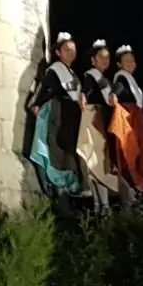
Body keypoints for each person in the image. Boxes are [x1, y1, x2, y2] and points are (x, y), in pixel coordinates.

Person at [25, 32, 84, 198]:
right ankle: (58, 194)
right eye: (67, 49)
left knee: (67, 154)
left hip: (69, 116)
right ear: (58, 52)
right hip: (57, 113)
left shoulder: (72, 74)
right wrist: (37, 104)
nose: (71, 52)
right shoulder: (55, 70)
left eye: (73, 49)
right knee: (56, 151)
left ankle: (68, 193)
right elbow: (46, 88)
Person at [106, 44, 143, 207]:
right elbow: (117, 88)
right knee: (129, 155)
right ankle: (130, 198)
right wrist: (113, 94)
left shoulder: (131, 79)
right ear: (119, 64)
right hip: (129, 120)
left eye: (132, 61)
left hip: (136, 120)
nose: (130, 64)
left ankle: (137, 196)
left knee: (139, 154)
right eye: (127, 61)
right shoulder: (121, 77)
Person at [75, 39, 120, 213]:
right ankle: (100, 205)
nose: (105, 61)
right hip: (93, 118)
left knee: (98, 162)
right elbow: (84, 92)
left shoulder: (107, 81)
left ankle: (101, 205)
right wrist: (83, 98)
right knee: (95, 160)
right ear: (93, 60)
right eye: (101, 57)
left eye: (107, 58)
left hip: (102, 119)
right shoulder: (90, 75)